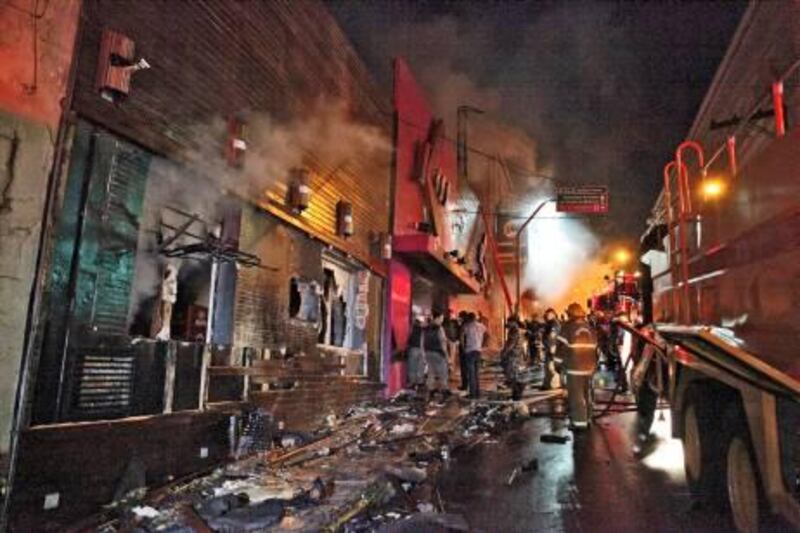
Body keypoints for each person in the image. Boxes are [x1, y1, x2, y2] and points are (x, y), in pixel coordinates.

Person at [557, 302, 598, 429]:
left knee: (576, 396)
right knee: (587, 394)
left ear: (570, 314)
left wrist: (557, 364)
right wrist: (593, 365)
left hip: (574, 368)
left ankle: (579, 423)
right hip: (589, 367)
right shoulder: (590, 328)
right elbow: (596, 349)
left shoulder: (567, 328)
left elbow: (561, 349)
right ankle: (588, 418)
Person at [423, 311, 450, 401]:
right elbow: (442, 342)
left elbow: (422, 341)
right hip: (438, 353)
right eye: (441, 318)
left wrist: (424, 353)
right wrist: (446, 355)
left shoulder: (426, 328)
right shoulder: (439, 328)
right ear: (437, 318)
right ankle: (444, 392)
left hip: (428, 352)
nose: (442, 320)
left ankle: (430, 391)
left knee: (431, 373)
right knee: (443, 373)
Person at [461, 312, 487, 399]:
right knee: (476, 373)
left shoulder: (467, 326)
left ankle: (472, 394)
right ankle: (477, 392)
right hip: (478, 351)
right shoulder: (481, 326)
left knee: (471, 373)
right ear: (475, 318)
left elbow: (461, 337)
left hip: (469, 351)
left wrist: (463, 347)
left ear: (468, 318)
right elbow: (487, 335)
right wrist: (482, 344)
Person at [501, 317, 526, 400]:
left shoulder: (514, 331)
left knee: (512, 376)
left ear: (513, 322)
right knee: (516, 375)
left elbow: (510, 344)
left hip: (513, 357)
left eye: (509, 322)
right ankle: (517, 394)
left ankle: (517, 395)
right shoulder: (519, 330)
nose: (508, 324)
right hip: (518, 356)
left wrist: (504, 353)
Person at [541, 308, 561, 390]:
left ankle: (554, 385)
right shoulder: (549, 323)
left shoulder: (554, 324)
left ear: (553, 314)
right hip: (548, 347)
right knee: (547, 367)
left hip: (552, 348)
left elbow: (552, 337)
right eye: (546, 314)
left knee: (551, 367)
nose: (547, 316)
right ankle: (547, 384)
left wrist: (551, 347)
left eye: (548, 314)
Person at [406, 315, 426, 391]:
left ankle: (412, 383)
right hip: (421, 349)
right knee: (420, 367)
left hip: (413, 348)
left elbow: (408, 338)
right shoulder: (423, 330)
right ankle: (419, 382)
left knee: (412, 367)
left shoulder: (411, 329)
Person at [442, 309, 461, 385]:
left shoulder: (454, 322)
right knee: (447, 356)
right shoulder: (445, 322)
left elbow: (458, 331)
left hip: (452, 341)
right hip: (448, 341)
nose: (450, 315)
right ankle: (448, 370)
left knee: (452, 357)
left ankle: (451, 371)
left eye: (450, 313)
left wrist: (457, 339)